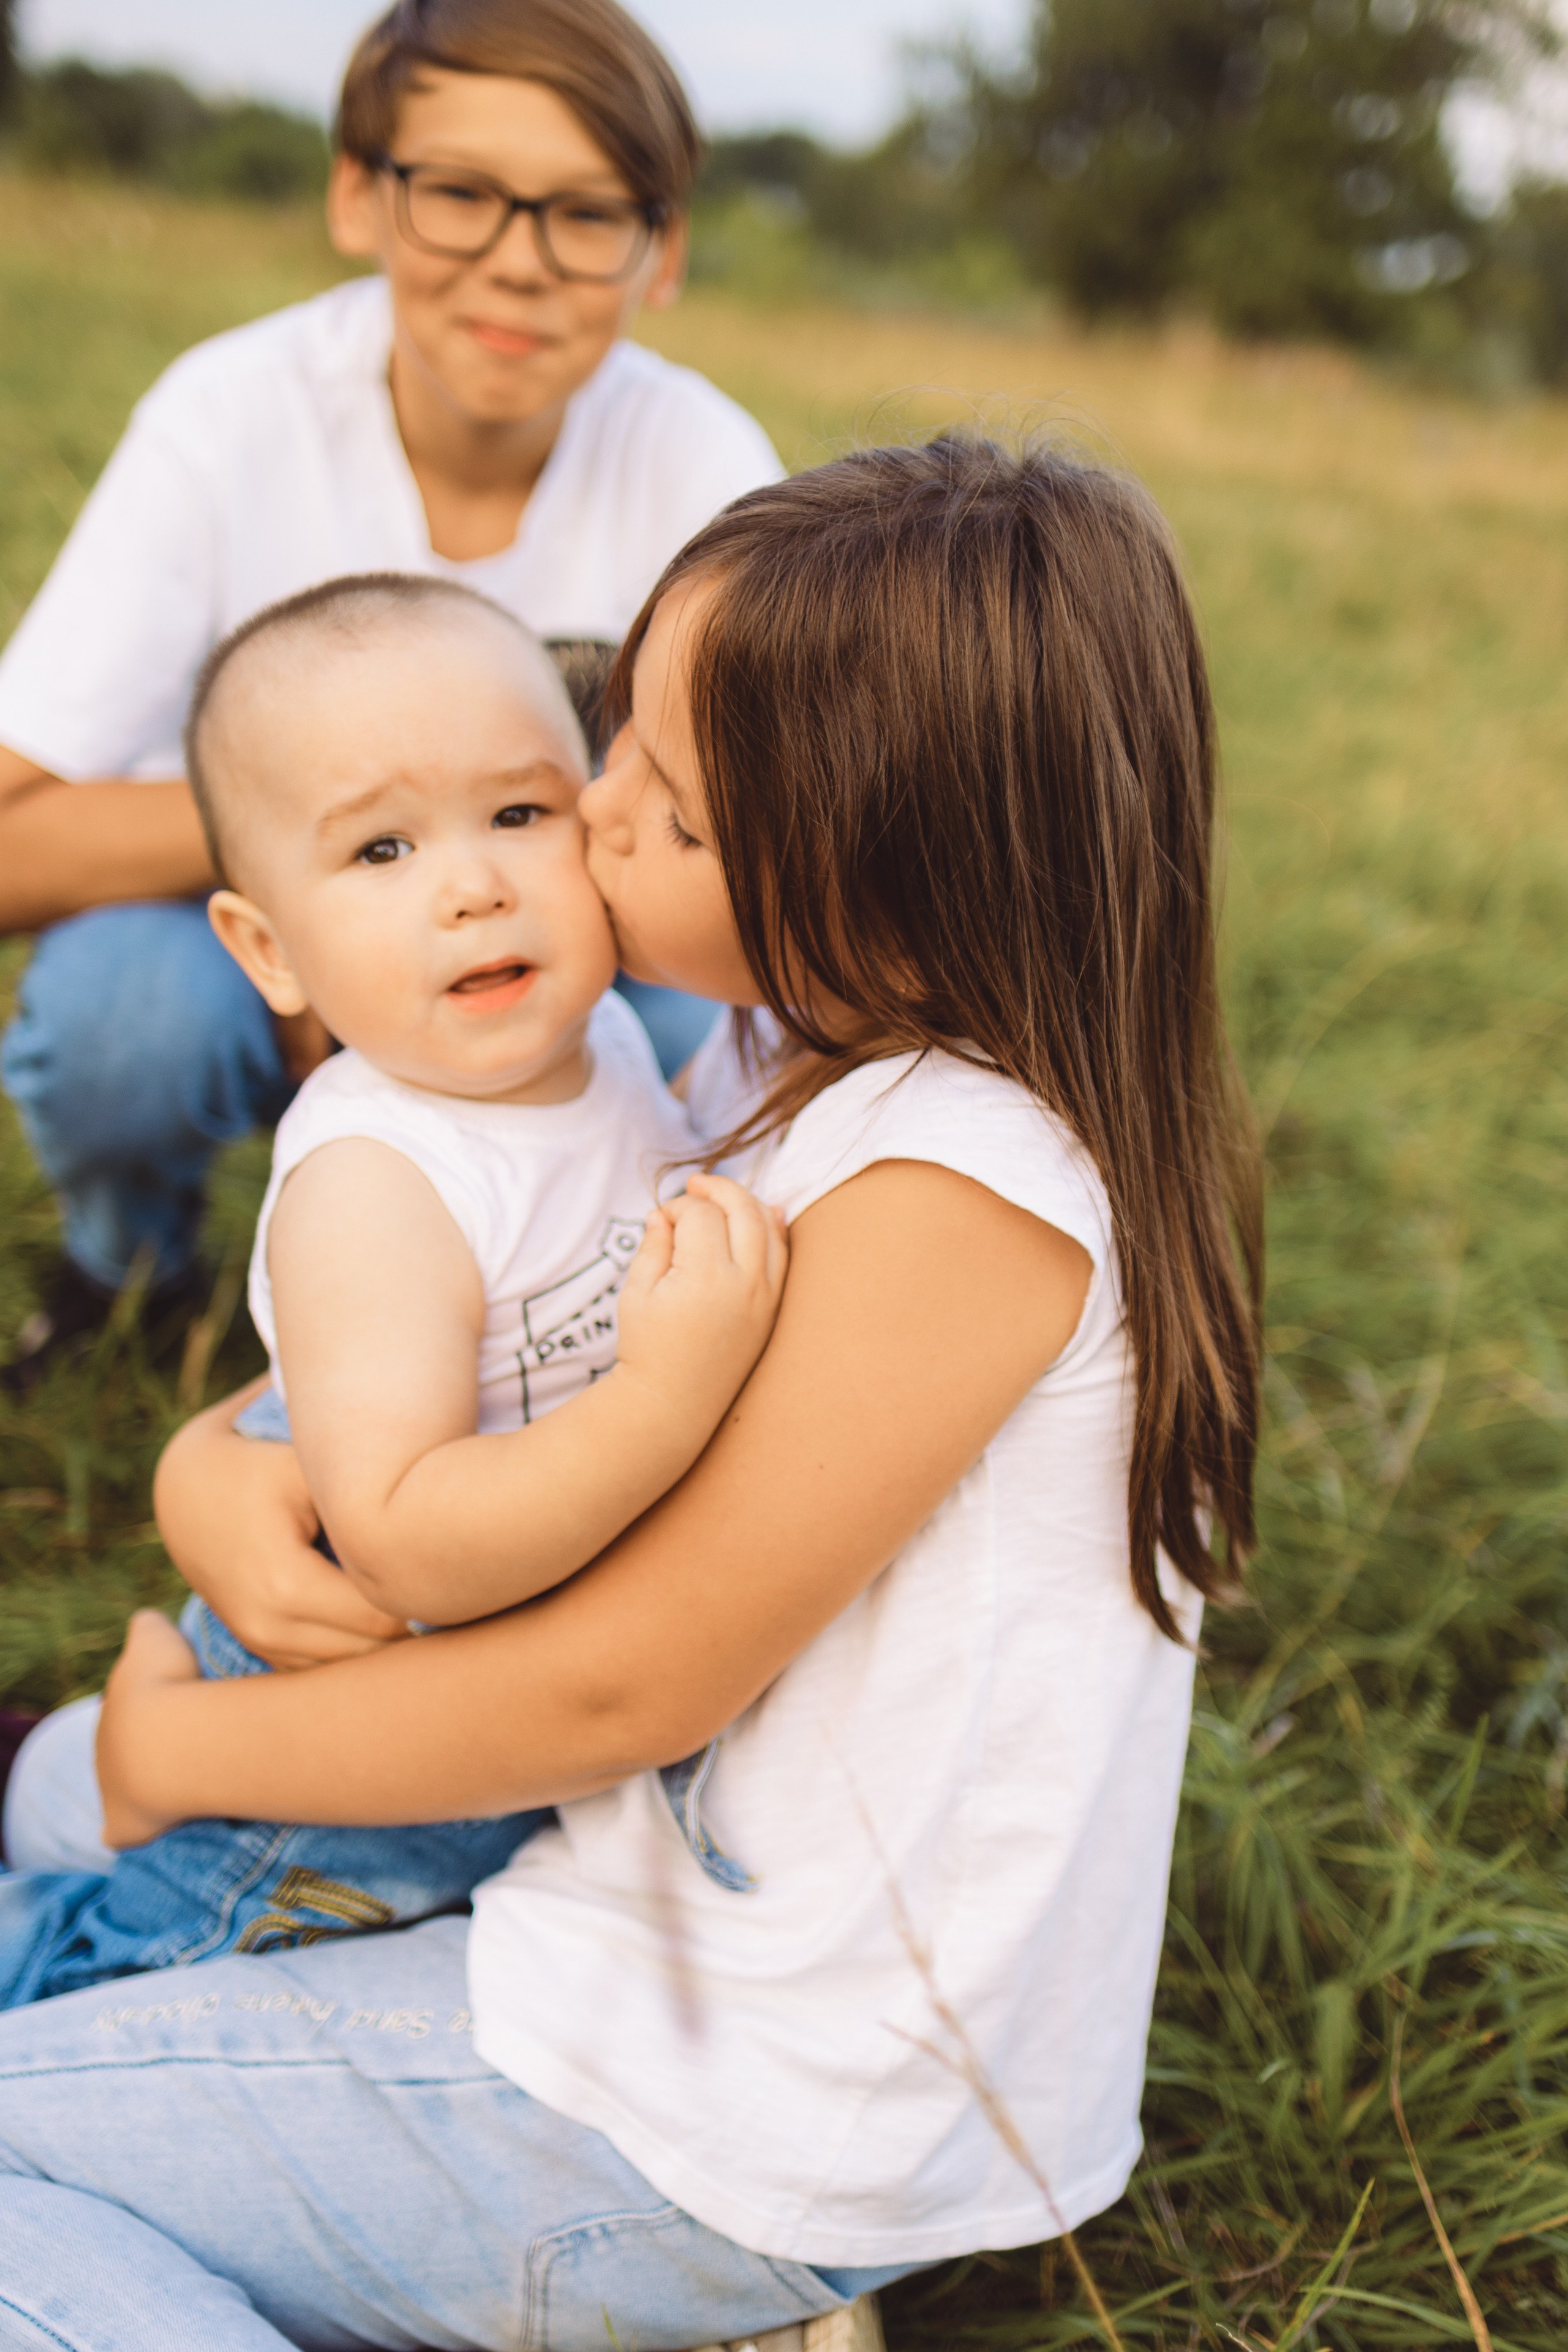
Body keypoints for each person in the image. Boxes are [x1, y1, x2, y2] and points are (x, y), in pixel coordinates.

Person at [0, 437, 1262, 2352]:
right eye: (611, 757)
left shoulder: (959, 1191)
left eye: (654, 807)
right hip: (658, 1969)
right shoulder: (800, 1042)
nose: (585, 828)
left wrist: (168, 1763)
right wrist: (208, 1465)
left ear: (874, 872)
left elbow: (621, 1686)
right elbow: (509, 1337)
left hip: (726, 2113)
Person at [0, 573, 788, 2007]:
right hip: (312, 1789)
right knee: (110, 1979)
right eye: (378, 849)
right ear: (267, 951)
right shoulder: (377, 1182)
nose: (470, 882)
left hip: (477, 1739)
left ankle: (33, 1792)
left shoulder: (607, 1040)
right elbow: (409, 1542)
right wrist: (671, 1394)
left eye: (517, 814)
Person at [0, 0, 782, 1390]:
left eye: (586, 213)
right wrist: (345, 848)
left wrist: (443, 855)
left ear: (659, 253)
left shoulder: (699, 465)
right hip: (229, 930)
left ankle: (585, 1307)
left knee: (704, 1029)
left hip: (552, 929)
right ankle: (134, 1272)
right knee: (122, 1018)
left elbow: (776, 838)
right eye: (461, 195)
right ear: (356, 194)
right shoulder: (230, 415)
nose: (518, 262)